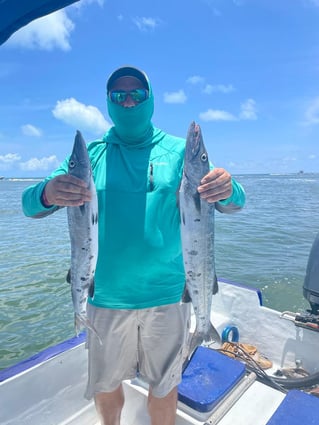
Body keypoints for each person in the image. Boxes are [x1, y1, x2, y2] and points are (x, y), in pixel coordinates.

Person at [22, 66, 246, 425]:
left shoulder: (178, 152)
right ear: (109, 103)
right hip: (105, 299)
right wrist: (48, 193)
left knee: (164, 388)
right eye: (118, 95)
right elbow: (29, 205)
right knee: (106, 385)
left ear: (150, 98)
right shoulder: (90, 155)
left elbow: (233, 203)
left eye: (136, 94)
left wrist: (228, 188)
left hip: (169, 297)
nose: (128, 101)